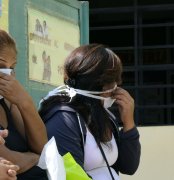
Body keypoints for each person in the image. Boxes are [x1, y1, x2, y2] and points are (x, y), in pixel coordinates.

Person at [39, 44, 141, 180]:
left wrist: (128, 122)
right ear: (98, 84)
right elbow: (70, 176)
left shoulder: (104, 115)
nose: (117, 86)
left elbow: (129, 166)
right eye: (113, 81)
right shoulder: (64, 119)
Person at [0, 29, 48, 179]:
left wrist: (24, 102)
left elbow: (42, 148)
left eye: (12, 68)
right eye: (1, 66)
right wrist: (34, 158)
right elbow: (11, 162)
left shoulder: (8, 100)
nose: (8, 74)